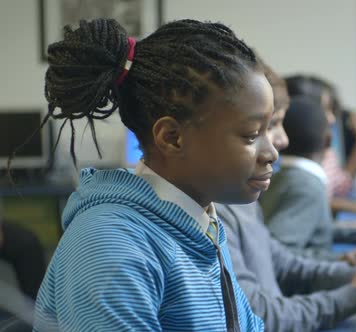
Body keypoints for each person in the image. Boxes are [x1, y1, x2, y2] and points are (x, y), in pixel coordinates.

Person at [28, 18, 274, 331]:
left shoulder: (201, 222)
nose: (272, 153)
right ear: (172, 138)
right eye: (252, 135)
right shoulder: (110, 245)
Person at [217, 61, 356, 331]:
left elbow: (281, 262)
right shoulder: (221, 210)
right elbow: (260, 317)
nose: (279, 144)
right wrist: (353, 295)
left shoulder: (241, 198)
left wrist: (353, 275)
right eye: (254, 133)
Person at [284, 75, 356, 232]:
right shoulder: (285, 161)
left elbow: (342, 184)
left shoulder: (325, 151)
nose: (331, 119)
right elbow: (304, 198)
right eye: (325, 109)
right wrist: (353, 211)